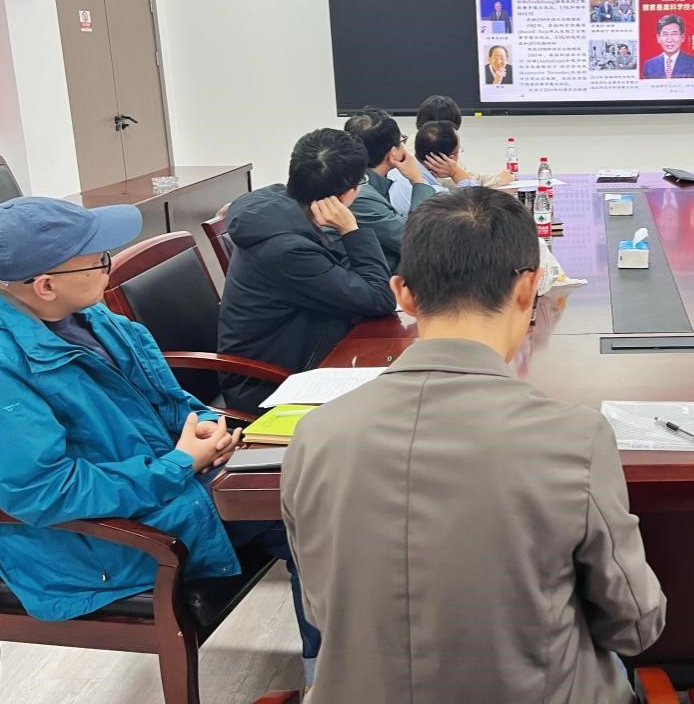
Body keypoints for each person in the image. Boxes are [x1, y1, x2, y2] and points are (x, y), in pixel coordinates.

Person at [283, 187, 666, 703]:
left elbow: (321, 611)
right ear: (529, 288)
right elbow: (634, 627)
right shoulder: (574, 438)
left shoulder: (314, 435)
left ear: (403, 294)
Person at [0, 198, 320, 684]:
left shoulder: (90, 318)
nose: (109, 266)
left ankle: (336, 673)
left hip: (153, 492)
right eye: (99, 259)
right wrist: (178, 465)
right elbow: (43, 491)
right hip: (88, 544)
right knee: (313, 517)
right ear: (45, 285)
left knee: (320, 502)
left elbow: (168, 401)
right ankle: (335, 680)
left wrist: (204, 425)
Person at [218, 128, 398, 411]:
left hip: (307, 348)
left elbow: (350, 277)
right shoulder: (289, 250)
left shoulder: (283, 207)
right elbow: (380, 298)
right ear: (347, 194)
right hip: (270, 383)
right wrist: (351, 229)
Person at [343, 109, 437, 271]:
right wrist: (417, 180)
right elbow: (418, 240)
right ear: (393, 153)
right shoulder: (359, 195)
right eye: (402, 141)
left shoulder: (356, 179)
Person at [415, 94, 514, 188]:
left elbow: (465, 175)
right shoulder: (437, 161)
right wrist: (497, 181)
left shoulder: (420, 143)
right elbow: (465, 188)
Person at [642, 14, 694, 78]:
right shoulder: (649, 65)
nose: (669, 40)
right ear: (658, 38)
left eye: (674, 34)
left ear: (682, 37)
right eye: (665, 34)